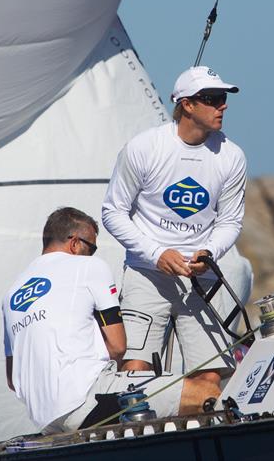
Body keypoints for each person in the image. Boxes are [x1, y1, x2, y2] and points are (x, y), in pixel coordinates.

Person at [2, 207, 219, 433]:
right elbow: (117, 346)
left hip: (47, 422)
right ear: (74, 243)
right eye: (92, 247)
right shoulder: (89, 266)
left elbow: (12, 380)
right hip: (87, 400)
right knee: (205, 392)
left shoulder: (11, 293)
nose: (92, 254)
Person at [102, 66, 246, 387]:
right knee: (135, 374)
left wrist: (208, 252)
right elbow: (113, 212)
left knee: (210, 377)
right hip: (146, 273)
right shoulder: (144, 147)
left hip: (201, 276)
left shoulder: (232, 156)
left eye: (223, 98)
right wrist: (156, 254)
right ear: (187, 105)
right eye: (212, 98)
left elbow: (230, 220)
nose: (222, 105)